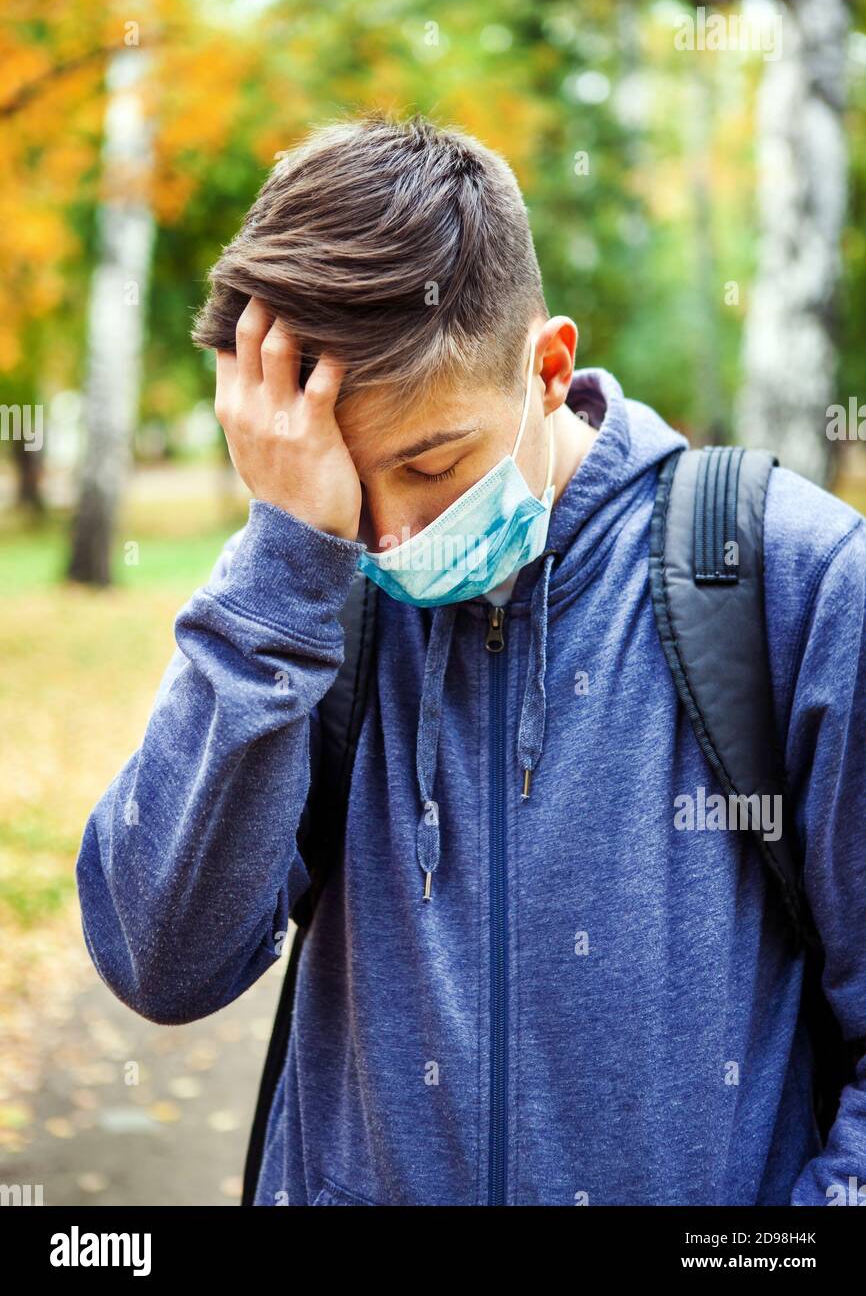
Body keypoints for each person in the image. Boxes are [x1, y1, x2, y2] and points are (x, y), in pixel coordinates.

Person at [75, 112, 866, 1206]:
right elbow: (161, 962)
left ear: (548, 366)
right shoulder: (310, 580)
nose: (390, 539)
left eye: (431, 464)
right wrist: (285, 561)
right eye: (350, 487)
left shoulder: (799, 579)